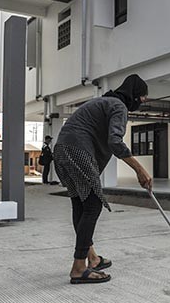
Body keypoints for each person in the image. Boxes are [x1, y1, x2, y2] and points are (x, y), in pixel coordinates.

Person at [54, 74, 152, 284]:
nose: (142, 102)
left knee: (81, 206)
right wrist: (140, 170)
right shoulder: (119, 107)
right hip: (76, 150)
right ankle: (79, 268)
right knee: (92, 206)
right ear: (134, 95)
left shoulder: (102, 102)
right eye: (142, 97)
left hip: (62, 150)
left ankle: (92, 258)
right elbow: (115, 142)